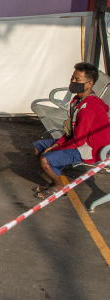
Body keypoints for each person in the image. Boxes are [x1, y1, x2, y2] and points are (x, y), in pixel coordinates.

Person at [32, 61, 110, 199]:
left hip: (90, 148)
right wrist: (57, 144)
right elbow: (71, 132)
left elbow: (79, 140)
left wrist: (56, 147)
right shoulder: (77, 100)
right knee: (38, 146)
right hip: (77, 140)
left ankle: (59, 187)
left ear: (90, 83)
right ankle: (54, 177)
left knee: (45, 159)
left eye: (77, 80)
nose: (73, 81)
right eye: (72, 78)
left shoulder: (89, 108)